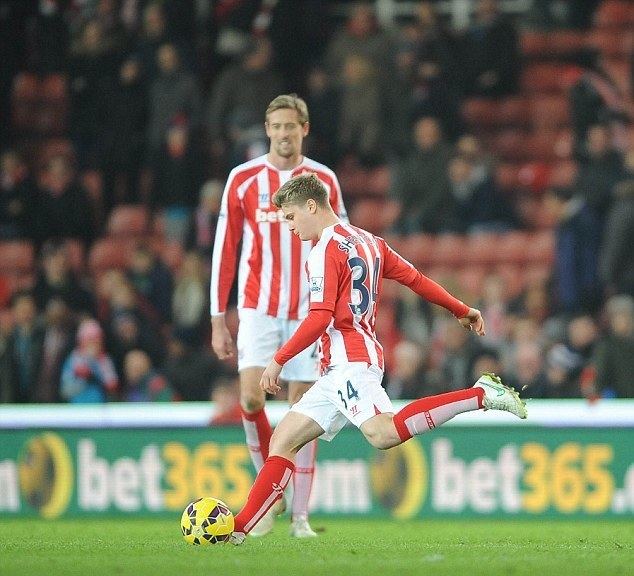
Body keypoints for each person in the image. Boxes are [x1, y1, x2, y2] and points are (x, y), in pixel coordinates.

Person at [227, 173, 526, 544]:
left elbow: (320, 316)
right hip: (342, 364)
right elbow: (415, 279)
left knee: (382, 433)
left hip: (349, 360)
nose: (288, 227)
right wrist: (461, 308)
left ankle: (480, 395)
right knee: (284, 440)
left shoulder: (323, 250)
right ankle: (238, 530)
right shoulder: (370, 241)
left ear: (311, 206)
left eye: (290, 217)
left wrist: (278, 360)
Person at [210, 94, 347, 538]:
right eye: (276, 126)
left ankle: (300, 518)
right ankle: (271, 495)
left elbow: (341, 242)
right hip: (257, 309)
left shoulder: (323, 179)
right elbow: (224, 248)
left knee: (301, 413)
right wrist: (217, 317)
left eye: (291, 126)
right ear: (266, 130)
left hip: (310, 311)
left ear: (304, 128)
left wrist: (342, 309)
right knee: (251, 399)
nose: (284, 134)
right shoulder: (243, 179)